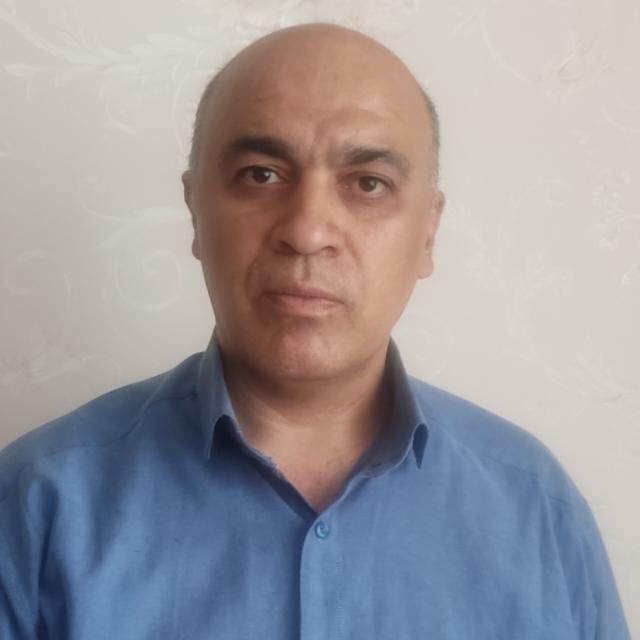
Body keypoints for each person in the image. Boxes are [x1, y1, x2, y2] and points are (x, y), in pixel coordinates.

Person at [0, 22, 630, 640]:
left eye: (368, 183)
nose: (307, 231)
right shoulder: (38, 503)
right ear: (195, 210)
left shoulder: (537, 507)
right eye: (262, 174)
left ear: (428, 232)